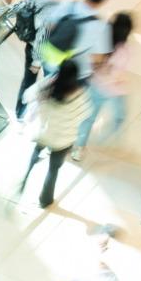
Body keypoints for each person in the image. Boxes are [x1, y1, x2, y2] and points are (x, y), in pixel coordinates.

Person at [8, 0, 72, 115]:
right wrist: (37, 63)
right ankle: (28, 114)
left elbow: (20, 7)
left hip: (35, 49)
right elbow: (42, 37)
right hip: (43, 53)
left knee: (30, 82)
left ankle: (21, 113)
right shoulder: (50, 9)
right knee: (44, 83)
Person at [26, 63, 89, 209]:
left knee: (35, 154)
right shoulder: (79, 95)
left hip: (45, 134)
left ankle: (25, 177)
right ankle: (45, 199)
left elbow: (30, 97)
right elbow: (84, 115)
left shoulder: (48, 90)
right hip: (63, 140)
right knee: (53, 171)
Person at [78, 10, 137, 158]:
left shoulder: (108, 43)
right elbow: (99, 66)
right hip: (105, 89)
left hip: (107, 88)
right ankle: (84, 144)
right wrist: (114, 75)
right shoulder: (116, 48)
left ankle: (83, 145)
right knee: (111, 118)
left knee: (94, 118)